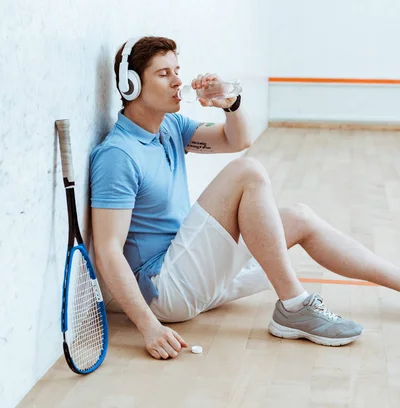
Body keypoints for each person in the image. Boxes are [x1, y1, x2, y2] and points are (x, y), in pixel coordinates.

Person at [91, 36, 400, 360]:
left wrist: (230, 104)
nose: (178, 81)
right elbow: (108, 250)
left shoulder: (170, 127)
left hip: (194, 274)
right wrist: (149, 326)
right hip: (164, 291)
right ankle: (294, 305)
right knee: (247, 171)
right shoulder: (118, 155)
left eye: (177, 70)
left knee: (300, 217)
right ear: (131, 86)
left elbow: (237, 138)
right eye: (164, 74)